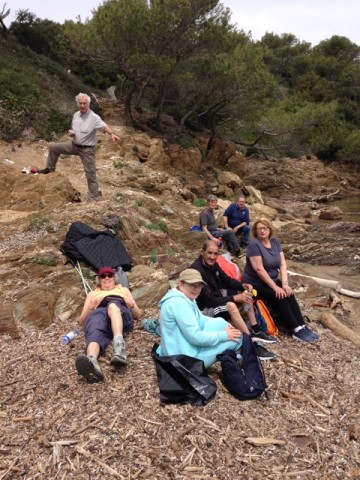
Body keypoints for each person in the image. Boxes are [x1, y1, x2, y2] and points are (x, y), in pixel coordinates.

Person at [190, 240, 277, 361]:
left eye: (215, 254)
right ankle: (250, 343)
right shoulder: (197, 271)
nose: (213, 257)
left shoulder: (213, 264)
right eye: (210, 253)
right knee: (231, 305)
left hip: (216, 297)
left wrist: (243, 286)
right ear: (202, 253)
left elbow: (227, 281)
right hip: (204, 309)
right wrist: (235, 298)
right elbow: (209, 301)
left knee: (246, 295)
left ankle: (255, 329)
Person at [242, 218, 320, 343]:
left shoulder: (275, 242)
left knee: (288, 292)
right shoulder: (254, 245)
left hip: (270, 280)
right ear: (255, 231)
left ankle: (302, 325)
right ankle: (295, 329)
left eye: (264, 228)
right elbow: (259, 269)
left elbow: (282, 264)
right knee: (279, 295)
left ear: (270, 229)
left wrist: (285, 284)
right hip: (254, 284)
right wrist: (275, 287)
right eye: (259, 229)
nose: (262, 231)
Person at [39, 93, 120, 201]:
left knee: (90, 173)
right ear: (78, 103)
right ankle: (49, 169)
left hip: (87, 150)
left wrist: (112, 134)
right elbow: (76, 130)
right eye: (80, 103)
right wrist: (72, 133)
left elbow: (104, 126)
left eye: (84, 103)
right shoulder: (76, 115)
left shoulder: (94, 117)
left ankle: (94, 197)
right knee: (53, 147)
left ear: (88, 104)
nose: (82, 105)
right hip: (74, 145)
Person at [157, 269, 243, 368]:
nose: (196, 289)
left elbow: (201, 319)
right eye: (192, 285)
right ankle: (239, 367)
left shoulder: (185, 297)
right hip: (184, 361)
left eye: (199, 285)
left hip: (182, 349)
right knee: (237, 339)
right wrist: (224, 335)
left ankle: (235, 363)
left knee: (223, 326)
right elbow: (196, 337)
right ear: (181, 285)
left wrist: (223, 324)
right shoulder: (179, 303)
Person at [75, 266, 142, 383]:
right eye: (103, 276)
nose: (106, 278)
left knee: (112, 306)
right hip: (99, 312)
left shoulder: (123, 290)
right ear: (99, 280)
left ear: (114, 278)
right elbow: (81, 321)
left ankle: (119, 348)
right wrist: (91, 307)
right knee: (95, 329)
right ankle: (92, 363)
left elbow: (138, 315)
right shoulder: (92, 294)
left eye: (109, 275)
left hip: (119, 310)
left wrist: (131, 305)